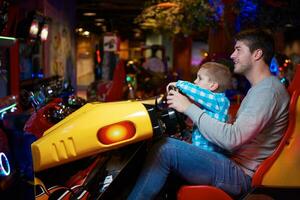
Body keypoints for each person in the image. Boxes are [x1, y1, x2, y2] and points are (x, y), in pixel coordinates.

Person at [127, 28, 290, 200]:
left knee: (165, 149)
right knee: (165, 143)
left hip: (241, 175)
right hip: (234, 164)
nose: (233, 55)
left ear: (257, 54)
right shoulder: (260, 89)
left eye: (238, 49)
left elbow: (232, 139)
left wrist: (188, 107)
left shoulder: (267, 92)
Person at [167, 62, 232, 152]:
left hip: (207, 152)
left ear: (212, 85)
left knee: (168, 147)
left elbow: (196, 92)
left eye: (200, 78)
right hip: (200, 147)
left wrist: (179, 84)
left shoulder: (218, 100)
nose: (195, 81)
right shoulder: (213, 101)